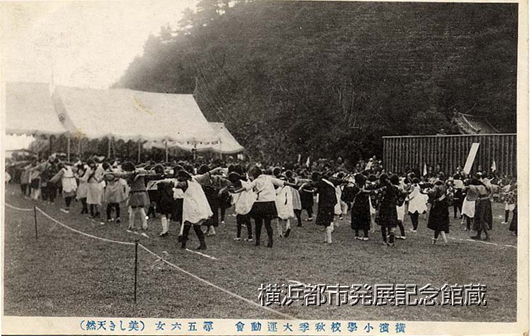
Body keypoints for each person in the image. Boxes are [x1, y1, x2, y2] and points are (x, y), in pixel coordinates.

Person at [233, 165, 285, 248]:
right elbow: (281, 183)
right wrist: (293, 185)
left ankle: (257, 241)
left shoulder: (256, 181)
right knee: (268, 224)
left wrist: (236, 191)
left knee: (258, 224)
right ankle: (270, 241)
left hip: (260, 203)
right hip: (269, 203)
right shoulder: (269, 178)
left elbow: (247, 188)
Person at [174, 170, 212, 250]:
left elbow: (177, 185)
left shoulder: (186, 184)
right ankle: (202, 244)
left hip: (191, 207)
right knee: (195, 227)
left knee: (187, 225)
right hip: (197, 206)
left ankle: (184, 245)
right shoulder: (195, 184)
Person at [227, 171, 255, 242]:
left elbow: (234, 191)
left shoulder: (239, 183)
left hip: (242, 203)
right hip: (248, 202)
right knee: (247, 221)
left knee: (239, 221)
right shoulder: (248, 181)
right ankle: (250, 236)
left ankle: (238, 236)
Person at [311, 171, 338, 244]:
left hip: (326, 205)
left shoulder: (322, 183)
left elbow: (313, 185)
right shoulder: (327, 184)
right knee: (326, 223)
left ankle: (329, 240)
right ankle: (326, 239)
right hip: (329, 204)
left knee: (327, 223)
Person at [425, 175, 450, 245]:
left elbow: (431, 194)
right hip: (444, 208)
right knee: (440, 225)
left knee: (438, 225)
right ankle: (437, 239)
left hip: (437, 208)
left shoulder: (436, 188)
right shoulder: (445, 188)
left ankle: (441, 240)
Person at [375, 174, 399, 246]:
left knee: (383, 224)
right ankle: (391, 241)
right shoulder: (395, 188)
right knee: (391, 224)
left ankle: (384, 240)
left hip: (384, 207)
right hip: (392, 207)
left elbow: (377, 196)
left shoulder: (383, 189)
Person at [469, 175, 493, 241]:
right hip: (485, 202)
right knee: (480, 218)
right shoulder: (484, 186)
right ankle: (478, 235)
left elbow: (471, 188)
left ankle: (487, 235)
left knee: (481, 218)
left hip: (482, 203)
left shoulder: (479, 187)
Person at [350, 174, 371, 240]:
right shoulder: (367, 187)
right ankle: (366, 235)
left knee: (356, 218)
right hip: (365, 205)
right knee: (365, 219)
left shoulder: (355, 188)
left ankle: (357, 234)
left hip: (357, 205)